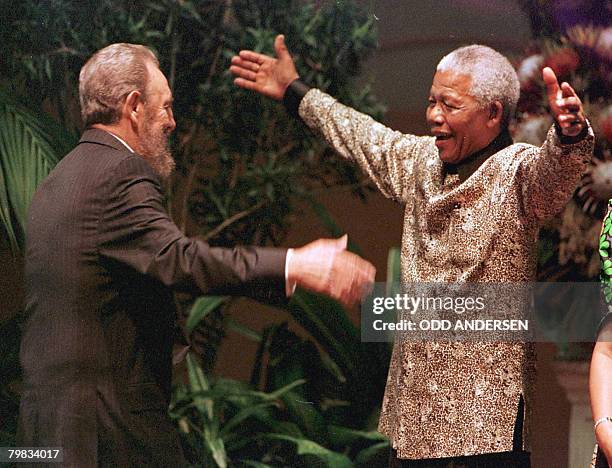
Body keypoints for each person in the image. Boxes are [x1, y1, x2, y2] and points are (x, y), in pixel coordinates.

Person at [230, 35, 594, 467]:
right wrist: (295, 90)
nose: (434, 116)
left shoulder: (517, 173)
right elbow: (362, 134)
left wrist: (569, 135)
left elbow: (552, 175)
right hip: (414, 416)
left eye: (450, 105)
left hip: (486, 424)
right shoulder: (421, 162)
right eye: (431, 101)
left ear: (493, 113)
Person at [16, 43, 376, 467]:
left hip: (42, 432)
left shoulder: (56, 181)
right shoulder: (121, 172)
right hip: (105, 433)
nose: (172, 121)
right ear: (134, 106)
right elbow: (179, 259)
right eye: (165, 107)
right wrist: (296, 264)